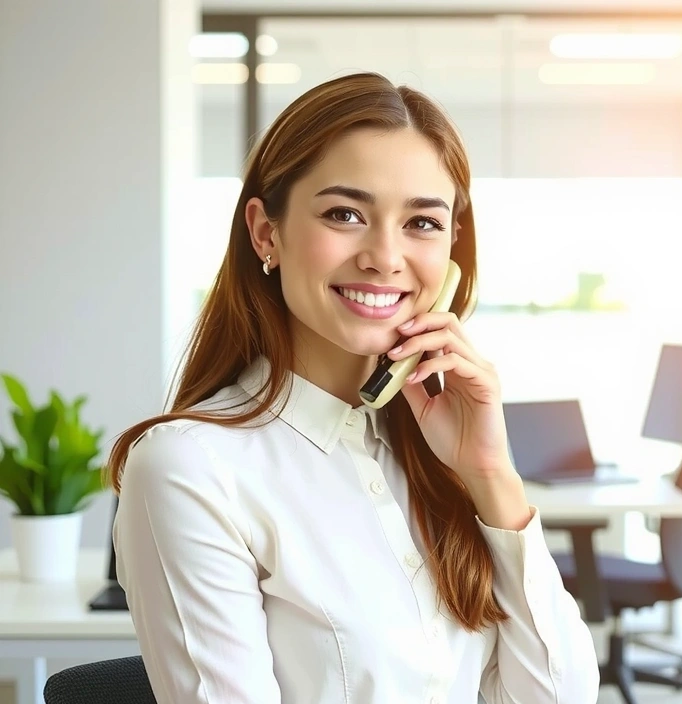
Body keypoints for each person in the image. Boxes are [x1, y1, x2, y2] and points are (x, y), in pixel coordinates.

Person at [108, 71, 600, 703]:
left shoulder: (434, 454)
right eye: (345, 214)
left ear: (452, 248)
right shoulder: (190, 467)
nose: (385, 256)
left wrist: (491, 477)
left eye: (422, 223)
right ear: (266, 233)